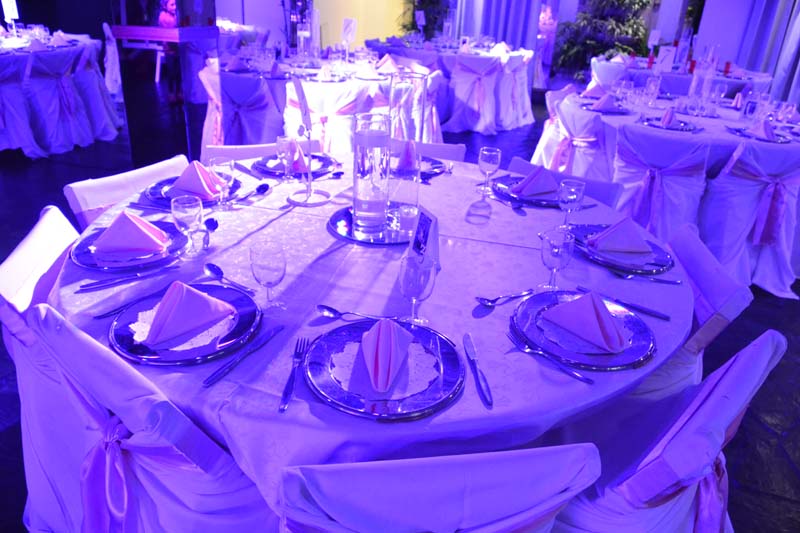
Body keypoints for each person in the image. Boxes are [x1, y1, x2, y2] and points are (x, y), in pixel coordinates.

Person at [158, 0, 181, 103]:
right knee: (171, 71)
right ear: (165, 6)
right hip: (169, 48)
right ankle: (171, 93)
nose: (174, 7)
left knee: (179, 71)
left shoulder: (176, 15)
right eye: (172, 5)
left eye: (175, 4)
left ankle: (179, 92)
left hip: (178, 47)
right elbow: (171, 28)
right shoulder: (163, 16)